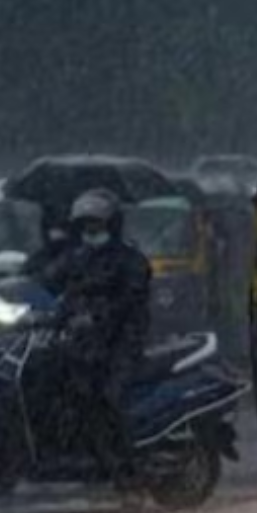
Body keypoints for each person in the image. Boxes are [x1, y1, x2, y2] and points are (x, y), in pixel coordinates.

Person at [44, 190, 152, 494]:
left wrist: (97, 317)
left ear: (112, 224)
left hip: (121, 340)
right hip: (81, 339)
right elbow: (50, 279)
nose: (91, 229)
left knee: (106, 398)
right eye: (85, 224)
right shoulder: (77, 255)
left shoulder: (129, 259)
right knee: (52, 382)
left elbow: (129, 300)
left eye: (96, 223)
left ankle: (126, 469)